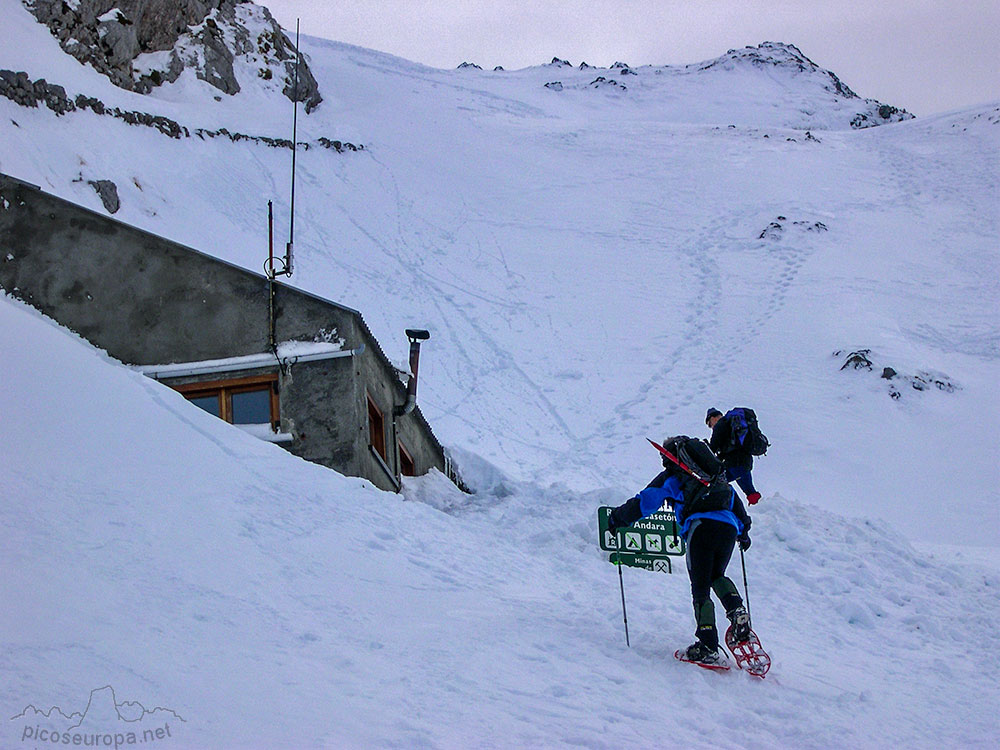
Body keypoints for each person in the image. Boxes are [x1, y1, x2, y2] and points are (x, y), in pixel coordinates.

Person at [608, 437, 752, 666]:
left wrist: (617, 518)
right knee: (717, 576)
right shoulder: (715, 475)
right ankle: (737, 611)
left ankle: (707, 645)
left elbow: (647, 500)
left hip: (700, 529)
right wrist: (744, 532)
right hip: (728, 528)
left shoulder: (676, 475)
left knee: (701, 587)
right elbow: (736, 503)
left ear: (671, 455)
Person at [706, 407, 762, 504]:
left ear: (713, 418)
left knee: (750, 492)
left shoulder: (720, 425)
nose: (711, 427)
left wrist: (705, 450)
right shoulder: (730, 425)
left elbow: (713, 448)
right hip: (743, 461)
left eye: (709, 424)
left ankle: (762, 507)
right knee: (718, 482)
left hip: (735, 463)